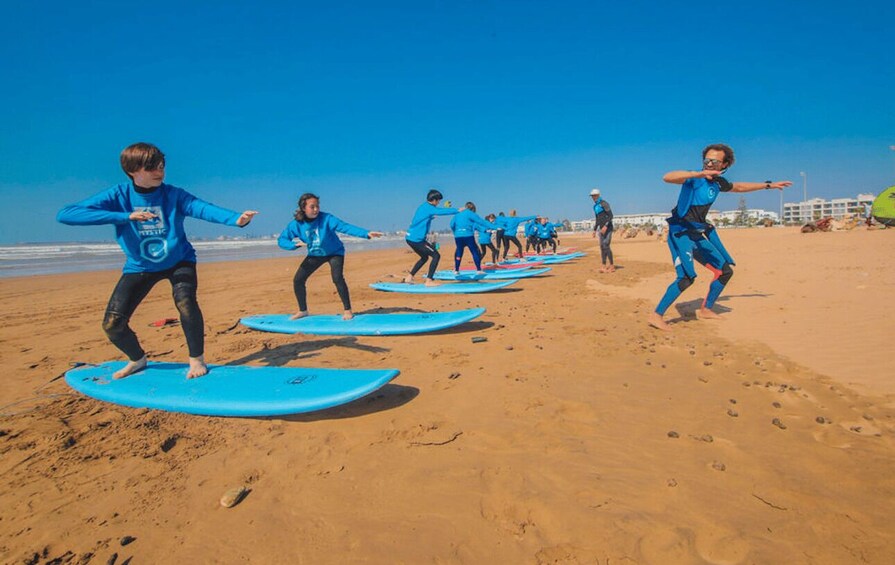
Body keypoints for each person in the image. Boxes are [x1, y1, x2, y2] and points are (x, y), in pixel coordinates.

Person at [56, 142, 258, 379]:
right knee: (112, 325)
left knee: (185, 303)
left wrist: (237, 219)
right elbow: (67, 214)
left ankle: (196, 360)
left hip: (179, 261)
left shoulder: (173, 194)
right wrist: (125, 216)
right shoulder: (118, 196)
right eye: (152, 168)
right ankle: (138, 359)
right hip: (140, 266)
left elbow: (202, 208)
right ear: (132, 170)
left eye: (161, 166)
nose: (159, 172)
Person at [648, 143, 791, 331]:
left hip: (697, 233)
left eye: (714, 161)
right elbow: (667, 177)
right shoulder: (693, 179)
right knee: (686, 278)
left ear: (724, 165)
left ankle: (706, 309)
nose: (709, 164)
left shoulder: (718, 183)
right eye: (706, 160)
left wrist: (768, 185)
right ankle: (656, 315)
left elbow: (739, 187)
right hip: (680, 233)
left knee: (724, 271)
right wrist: (695, 174)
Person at [278, 193, 382, 321]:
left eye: (317, 206)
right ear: (303, 208)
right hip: (315, 254)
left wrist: (366, 233)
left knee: (337, 278)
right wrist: (294, 244)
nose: (316, 209)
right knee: (298, 280)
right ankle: (303, 311)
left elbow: (345, 227)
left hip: (335, 252)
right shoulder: (296, 224)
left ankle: (347, 310)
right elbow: (282, 240)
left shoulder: (326, 218)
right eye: (312, 207)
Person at [404, 189, 459, 286]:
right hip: (417, 240)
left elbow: (428, 215)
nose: (438, 203)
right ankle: (429, 281)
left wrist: (433, 215)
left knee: (424, 258)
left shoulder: (423, 207)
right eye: (438, 200)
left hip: (410, 238)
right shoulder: (429, 208)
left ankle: (409, 277)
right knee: (436, 255)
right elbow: (440, 212)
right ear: (434, 200)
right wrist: (457, 210)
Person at [450, 202, 498, 272]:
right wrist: (495, 227)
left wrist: (455, 232)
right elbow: (482, 222)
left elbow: (451, 225)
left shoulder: (457, 214)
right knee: (474, 252)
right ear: (473, 208)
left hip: (458, 237)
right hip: (468, 236)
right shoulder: (471, 213)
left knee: (459, 252)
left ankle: (456, 270)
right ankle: (478, 270)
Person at [590, 188, 615, 272]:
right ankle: (603, 265)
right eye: (592, 196)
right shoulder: (595, 206)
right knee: (601, 247)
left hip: (608, 228)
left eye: (594, 196)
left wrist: (605, 226)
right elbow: (597, 219)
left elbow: (611, 216)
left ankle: (612, 266)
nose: (593, 198)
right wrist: (594, 230)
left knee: (606, 245)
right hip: (601, 229)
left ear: (598, 195)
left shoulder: (604, 203)